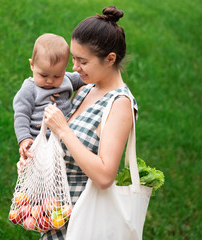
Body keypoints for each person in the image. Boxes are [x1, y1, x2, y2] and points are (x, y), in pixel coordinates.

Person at [17, 6, 138, 239]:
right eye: (73, 58)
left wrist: (63, 129)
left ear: (110, 59)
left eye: (82, 61)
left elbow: (104, 176)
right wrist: (34, 160)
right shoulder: (86, 90)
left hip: (85, 227)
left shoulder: (119, 104)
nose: (73, 68)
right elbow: (68, 154)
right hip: (57, 221)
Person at [13, 33, 84, 159]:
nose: (50, 81)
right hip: (39, 144)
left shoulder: (67, 79)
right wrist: (25, 139)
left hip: (65, 140)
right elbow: (21, 115)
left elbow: (86, 79)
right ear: (32, 65)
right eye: (44, 75)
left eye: (57, 76)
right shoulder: (29, 89)